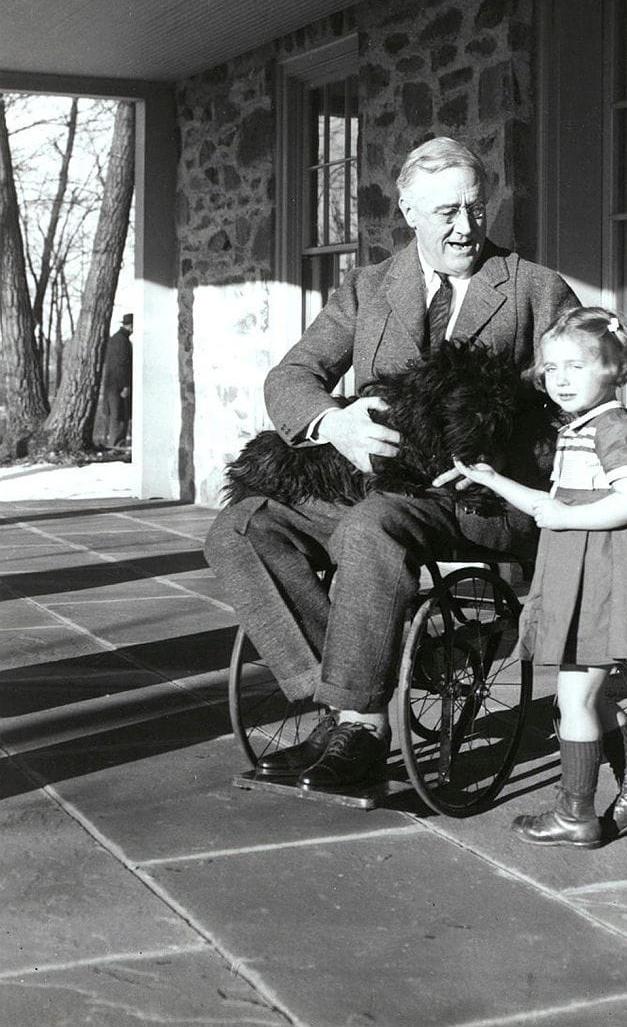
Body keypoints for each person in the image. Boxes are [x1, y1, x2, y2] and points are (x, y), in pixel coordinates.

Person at [205, 137, 579, 792]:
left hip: (477, 498)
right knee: (242, 526)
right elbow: (292, 374)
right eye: (446, 213)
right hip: (379, 483)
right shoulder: (369, 287)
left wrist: (506, 458)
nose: (465, 228)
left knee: (370, 526)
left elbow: (579, 404)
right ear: (408, 209)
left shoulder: (535, 290)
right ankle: (345, 699)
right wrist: (333, 423)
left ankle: (362, 725)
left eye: (475, 209)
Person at [452, 306, 627, 848]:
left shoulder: (614, 428)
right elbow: (551, 503)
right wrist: (492, 479)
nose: (561, 379)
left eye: (576, 366)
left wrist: (568, 517)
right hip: (582, 575)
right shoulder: (582, 428)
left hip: (604, 580)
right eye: (551, 369)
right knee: (588, 695)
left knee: (573, 699)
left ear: (615, 368)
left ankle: (576, 815)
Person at [101, 312, 133, 448]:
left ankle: (115, 444)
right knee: (119, 416)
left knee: (116, 415)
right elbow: (122, 364)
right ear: (131, 326)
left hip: (112, 385)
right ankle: (117, 446)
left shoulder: (116, 339)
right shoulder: (122, 341)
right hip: (118, 386)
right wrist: (126, 386)